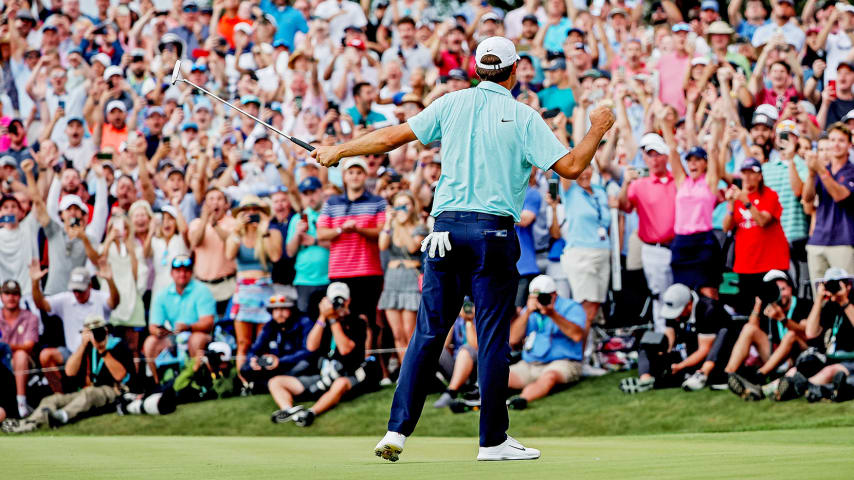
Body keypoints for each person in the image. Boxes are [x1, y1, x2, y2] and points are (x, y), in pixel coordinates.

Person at [311, 36, 614, 461]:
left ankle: (397, 432)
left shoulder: (450, 104)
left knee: (428, 333)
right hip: (493, 234)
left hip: (444, 232)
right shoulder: (523, 115)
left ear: (476, 69)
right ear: (513, 71)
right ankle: (491, 441)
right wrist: (598, 126)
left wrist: (338, 150)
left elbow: (390, 138)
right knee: (491, 338)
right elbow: (572, 167)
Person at [1, 316, 138, 433]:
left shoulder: (118, 346)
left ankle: (62, 416)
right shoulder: (87, 348)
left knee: (90, 393)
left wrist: (102, 351)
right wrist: (83, 346)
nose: (95, 335)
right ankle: (28, 424)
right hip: (86, 391)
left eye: (97, 331)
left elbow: (120, 376)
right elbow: (69, 371)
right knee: (53, 399)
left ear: (106, 330)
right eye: (90, 332)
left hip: (112, 391)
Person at [266, 282, 378, 427]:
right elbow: (311, 346)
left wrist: (333, 319)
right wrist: (322, 317)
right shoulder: (323, 321)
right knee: (276, 382)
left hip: (347, 375)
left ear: (348, 300)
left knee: (340, 383)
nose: (338, 305)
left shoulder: (357, 321)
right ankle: (288, 411)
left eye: (340, 300)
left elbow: (345, 349)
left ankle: (311, 413)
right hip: (322, 376)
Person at [619, 284, 728, 394]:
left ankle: (698, 376)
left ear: (689, 304)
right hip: (684, 350)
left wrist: (680, 366)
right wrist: (667, 354)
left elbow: (704, 349)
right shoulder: (674, 310)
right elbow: (670, 334)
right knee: (649, 340)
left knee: (723, 334)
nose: (676, 317)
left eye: (678, 312)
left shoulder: (707, 309)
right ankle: (645, 380)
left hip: (708, 355)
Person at [618, 133, 677, 332]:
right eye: (649, 155)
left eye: (657, 154)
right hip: (654, 248)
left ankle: (679, 340)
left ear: (666, 156)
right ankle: (663, 339)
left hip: (679, 246)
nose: (654, 159)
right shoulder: (638, 184)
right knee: (661, 296)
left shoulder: (677, 179)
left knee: (679, 293)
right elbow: (624, 206)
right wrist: (625, 183)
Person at [32, 262, 119, 394]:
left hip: (99, 350)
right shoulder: (65, 298)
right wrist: (35, 283)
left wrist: (110, 281)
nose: (77, 294)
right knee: (46, 355)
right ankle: (61, 396)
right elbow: (42, 304)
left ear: (90, 285)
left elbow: (114, 302)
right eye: (75, 290)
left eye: (80, 290)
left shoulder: (100, 296)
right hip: (73, 352)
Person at [725, 270, 811, 399]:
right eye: (776, 291)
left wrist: (783, 319)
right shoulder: (769, 306)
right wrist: (758, 304)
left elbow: (807, 333)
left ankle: (758, 377)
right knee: (749, 328)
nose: (781, 294)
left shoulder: (803, 304)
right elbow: (751, 329)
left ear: (790, 288)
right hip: (775, 357)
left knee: (791, 335)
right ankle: (730, 375)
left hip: (799, 353)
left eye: (783, 289)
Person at [225, 195, 284, 383]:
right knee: (243, 342)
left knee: (263, 339)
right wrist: (236, 231)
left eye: (255, 210)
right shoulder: (237, 235)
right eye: (246, 210)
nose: (251, 214)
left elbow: (275, 257)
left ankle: (261, 378)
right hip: (244, 292)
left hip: (265, 289)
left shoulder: (271, 233)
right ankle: (244, 381)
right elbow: (229, 255)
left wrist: (264, 230)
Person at [506, 275, 585, 410]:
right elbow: (513, 339)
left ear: (554, 295)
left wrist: (552, 314)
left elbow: (577, 335)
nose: (539, 301)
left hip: (563, 362)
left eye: (543, 296)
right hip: (531, 363)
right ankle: (480, 401)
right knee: (500, 375)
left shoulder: (571, 307)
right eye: (534, 297)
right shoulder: (530, 310)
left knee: (549, 377)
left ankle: (521, 400)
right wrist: (527, 312)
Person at [722, 158, 790, 313]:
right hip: (747, 264)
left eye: (752, 173)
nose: (747, 177)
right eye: (744, 173)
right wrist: (732, 205)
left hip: (770, 262)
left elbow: (763, 221)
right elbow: (727, 227)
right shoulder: (738, 198)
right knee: (748, 310)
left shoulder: (769, 195)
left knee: (772, 308)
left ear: (759, 176)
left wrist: (746, 202)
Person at [142, 255, 216, 384]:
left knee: (196, 339)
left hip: (198, 334)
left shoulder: (202, 290)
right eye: (178, 271)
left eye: (186, 270)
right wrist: (159, 331)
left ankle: (194, 381)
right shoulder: (162, 295)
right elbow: (153, 326)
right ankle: (157, 383)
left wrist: (188, 327)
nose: (182, 274)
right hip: (173, 336)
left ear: (191, 272)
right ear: (171, 273)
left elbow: (208, 323)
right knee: (150, 343)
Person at [378, 191, 427, 365]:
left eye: (406, 204)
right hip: (392, 281)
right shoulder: (391, 227)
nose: (402, 209)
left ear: (413, 206)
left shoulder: (419, 226)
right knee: (397, 334)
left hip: (409, 280)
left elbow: (413, 247)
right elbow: (382, 245)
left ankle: (415, 370)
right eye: (398, 205)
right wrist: (389, 222)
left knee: (409, 331)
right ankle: (404, 372)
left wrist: (402, 223)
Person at [241, 293, 313, 386]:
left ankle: (272, 384)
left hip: (293, 362)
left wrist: (280, 361)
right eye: (275, 309)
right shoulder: (269, 326)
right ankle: (271, 384)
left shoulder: (304, 322)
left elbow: (308, 351)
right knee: (246, 368)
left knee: (304, 364)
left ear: (292, 310)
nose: (279, 313)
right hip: (274, 366)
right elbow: (254, 350)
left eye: (283, 309)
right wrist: (253, 360)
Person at [285, 176, 330, 322]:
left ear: (321, 192)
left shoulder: (330, 214)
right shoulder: (297, 219)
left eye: (313, 192)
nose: (310, 197)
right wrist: (298, 235)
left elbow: (340, 245)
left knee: (331, 321)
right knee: (306, 322)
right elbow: (290, 252)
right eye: (306, 193)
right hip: (304, 280)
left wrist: (315, 241)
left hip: (328, 278)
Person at [0, 280, 38, 418]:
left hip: (22, 362)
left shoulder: (30, 317)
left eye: (15, 294)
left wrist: (5, 346)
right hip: (1, 363)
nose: (11, 297)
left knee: (20, 355)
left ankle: (21, 403)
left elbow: (29, 346)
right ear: (1, 296)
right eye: (7, 293)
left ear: (20, 296)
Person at [433, 297, 479, 408]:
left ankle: (451, 392)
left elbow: (475, 346)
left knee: (465, 349)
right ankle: (436, 386)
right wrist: (451, 320)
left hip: (476, 367)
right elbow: (445, 344)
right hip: (456, 366)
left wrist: (469, 321)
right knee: (436, 349)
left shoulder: (479, 318)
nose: (465, 309)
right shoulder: (457, 320)